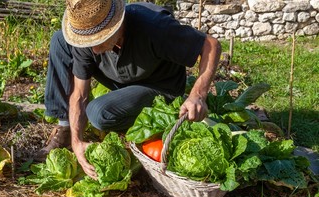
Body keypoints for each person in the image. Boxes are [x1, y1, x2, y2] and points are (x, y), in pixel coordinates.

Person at [35, 0, 221, 180]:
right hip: (120, 78)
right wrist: (76, 141)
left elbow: (211, 45)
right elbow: (80, 94)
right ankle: (65, 130)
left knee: (99, 113)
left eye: (99, 40)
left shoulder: (154, 26)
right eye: (89, 42)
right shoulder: (88, 38)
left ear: (115, 25)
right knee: (60, 40)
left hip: (158, 86)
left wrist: (197, 95)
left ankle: (150, 124)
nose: (95, 50)